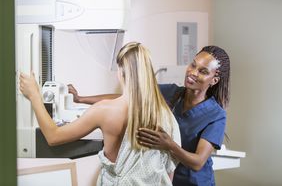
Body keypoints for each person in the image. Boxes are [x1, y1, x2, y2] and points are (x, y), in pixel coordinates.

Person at [20, 42, 181, 186]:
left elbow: (53, 137)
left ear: (120, 71)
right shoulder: (166, 115)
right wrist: (81, 99)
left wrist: (34, 95)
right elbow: (169, 171)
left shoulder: (104, 111)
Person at [68, 45, 230, 186]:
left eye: (202, 71)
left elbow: (198, 162)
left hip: (194, 182)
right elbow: (126, 98)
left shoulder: (216, 114)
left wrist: (169, 144)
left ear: (214, 80)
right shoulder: (171, 92)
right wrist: (81, 99)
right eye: (193, 65)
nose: (193, 72)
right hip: (166, 178)